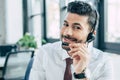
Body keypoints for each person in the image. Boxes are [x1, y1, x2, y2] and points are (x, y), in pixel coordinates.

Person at [29, 1, 113, 80]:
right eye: (66, 24)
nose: (67, 32)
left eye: (77, 27)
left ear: (91, 34)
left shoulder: (103, 63)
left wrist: (81, 74)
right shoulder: (44, 52)